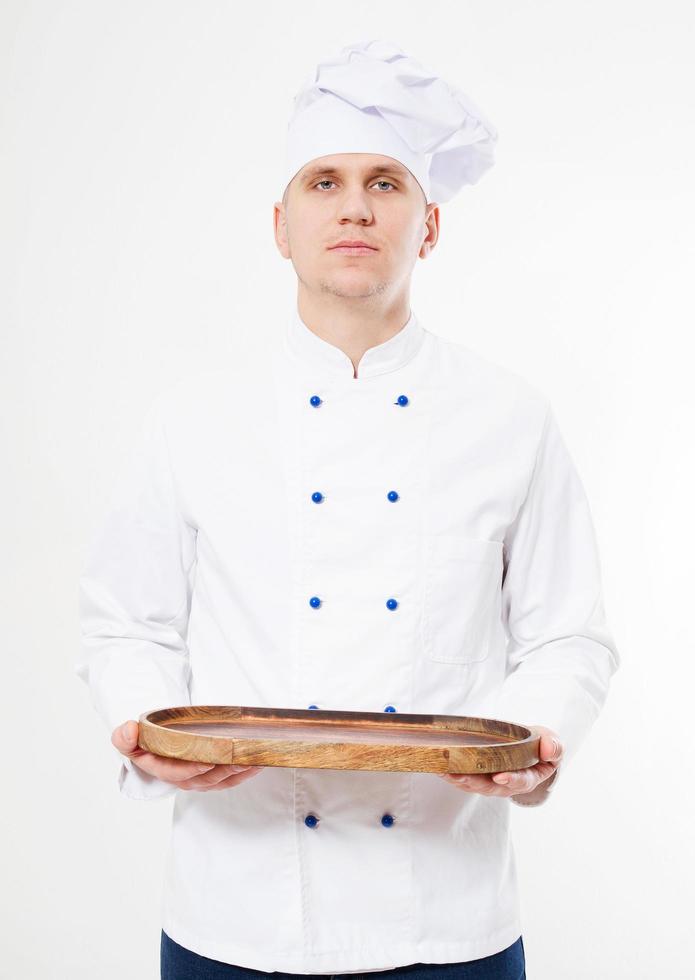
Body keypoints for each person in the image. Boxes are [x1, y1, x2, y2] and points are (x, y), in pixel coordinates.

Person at [75, 38, 620, 980]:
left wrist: (530, 737)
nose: (355, 206)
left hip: (447, 918)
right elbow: (125, 623)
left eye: (384, 182)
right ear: (280, 226)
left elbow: (569, 638)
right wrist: (146, 727)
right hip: (234, 912)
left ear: (430, 224)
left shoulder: (511, 416)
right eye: (323, 182)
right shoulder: (192, 416)